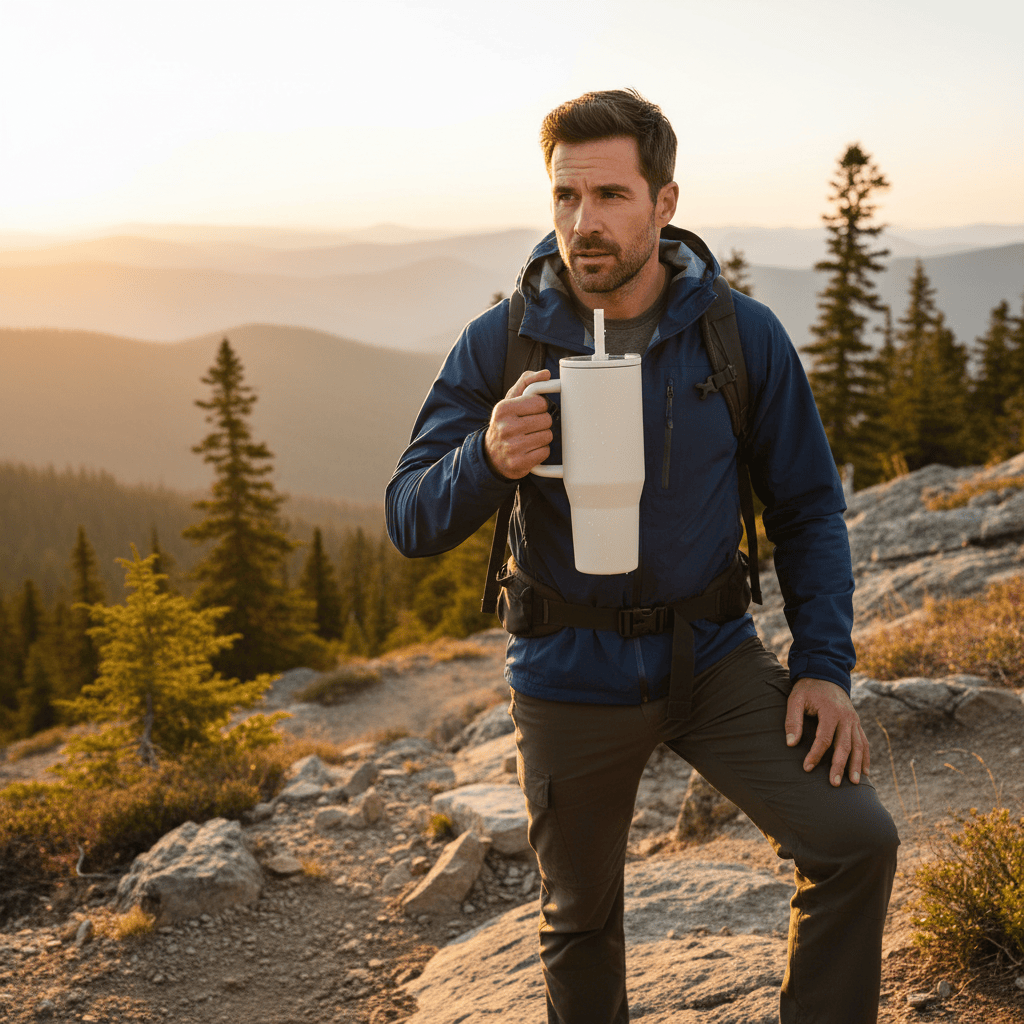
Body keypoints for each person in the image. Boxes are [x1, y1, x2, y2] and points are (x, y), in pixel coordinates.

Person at [386, 89, 899, 1024]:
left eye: (611, 195)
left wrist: (824, 667)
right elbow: (409, 517)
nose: (584, 222)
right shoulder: (503, 341)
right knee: (580, 921)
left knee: (854, 841)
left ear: (664, 203)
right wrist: (486, 458)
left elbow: (808, 510)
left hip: (713, 658)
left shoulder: (738, 335)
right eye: (566, 196)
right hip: (567, 670)